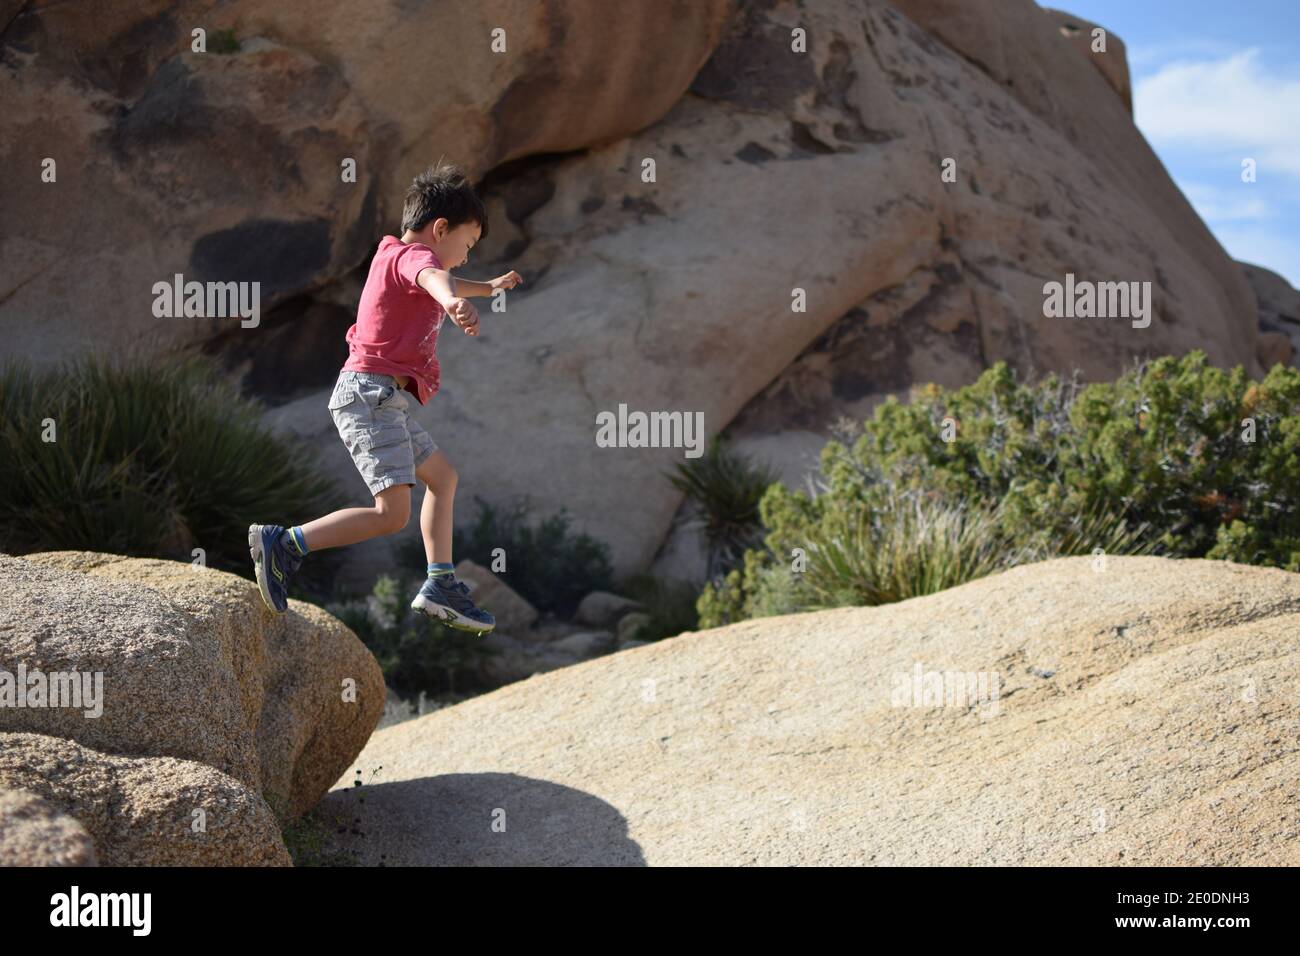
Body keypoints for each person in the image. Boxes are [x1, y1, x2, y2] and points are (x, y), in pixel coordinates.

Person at [248, 159, 522, 633]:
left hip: (380, 399)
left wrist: (484, 288)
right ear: (441, 229)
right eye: (468, 244)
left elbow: (444, 279)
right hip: (369, 396)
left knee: (443, 479)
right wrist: (454, 302)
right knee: (391, 514)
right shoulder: (415, 261)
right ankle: (286, 543)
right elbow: (434, 278)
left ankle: (440, 582)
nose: (467, 255)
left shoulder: (395, 257)